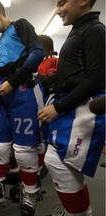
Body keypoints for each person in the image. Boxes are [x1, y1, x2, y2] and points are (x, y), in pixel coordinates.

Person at [0, 0, 45, 215]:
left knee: (24, 150)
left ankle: (30, 190)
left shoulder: (21, 25)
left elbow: (37, 52)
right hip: (1, 97)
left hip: (24, 92)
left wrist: (13, 81)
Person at [37, 0, 105, 215]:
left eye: (62, 3)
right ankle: (76, 210)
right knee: (62, 162)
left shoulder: (95, 30)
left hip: (84, 106)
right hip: (73, 103)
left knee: (56, 160)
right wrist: (39, 82)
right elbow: (73, 74)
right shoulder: (79, 29)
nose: (57, 10)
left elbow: (96, 78)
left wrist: (57, 107)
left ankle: (79, 212)